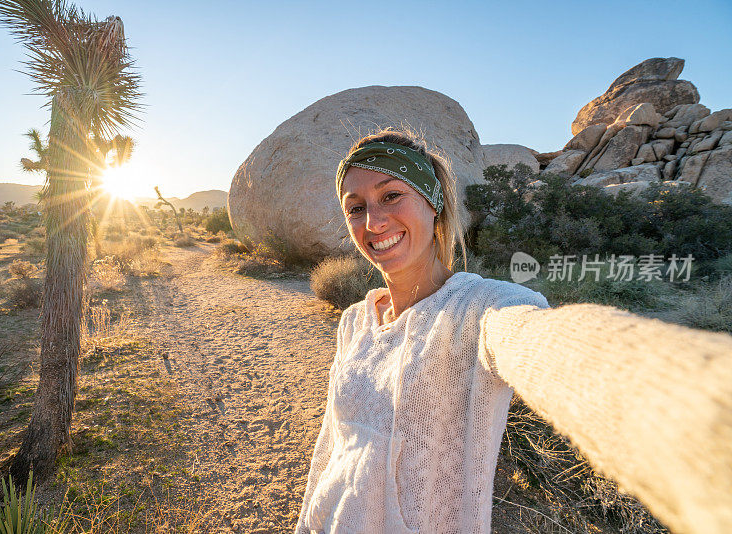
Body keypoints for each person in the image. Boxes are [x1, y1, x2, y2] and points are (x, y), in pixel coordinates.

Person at [295, 129, 732, 534]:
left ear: (434, 203)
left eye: (391, 196)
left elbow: (536, 342)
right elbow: (333, 441)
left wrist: (691, 396)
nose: (373, 222)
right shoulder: (356, 319)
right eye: (356, 207)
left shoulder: (480, 307)